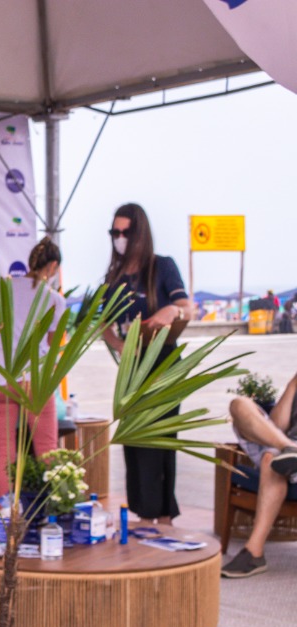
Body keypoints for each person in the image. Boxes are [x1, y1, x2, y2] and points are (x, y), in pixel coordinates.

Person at [100, 203, 191, 523]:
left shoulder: (162, 266)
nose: (120, 238)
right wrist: (120, 345)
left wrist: (172, 311)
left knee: (160, 439)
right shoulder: (113, 277)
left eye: (126, 232)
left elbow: (186, 306)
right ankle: (142, 512)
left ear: (140, 233)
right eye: (115, 232)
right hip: (132, 365)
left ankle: (164, 514)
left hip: (163, 361)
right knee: (134, 440)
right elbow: (102, 323)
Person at [0, 237, 67, 499]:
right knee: (47, 450)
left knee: (4, 452)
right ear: (52, 266)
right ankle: (49, 515)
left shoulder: (2, 289)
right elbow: (53, 350)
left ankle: (5, 519)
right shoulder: (54, 299)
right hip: (34, 379)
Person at [222, 373, 297, 578]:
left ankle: (254, 553)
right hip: (284, 445)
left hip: (278, 457)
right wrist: (293, 384)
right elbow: (277, 424)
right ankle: (289, 450)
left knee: (271, 462)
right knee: (239, 404)